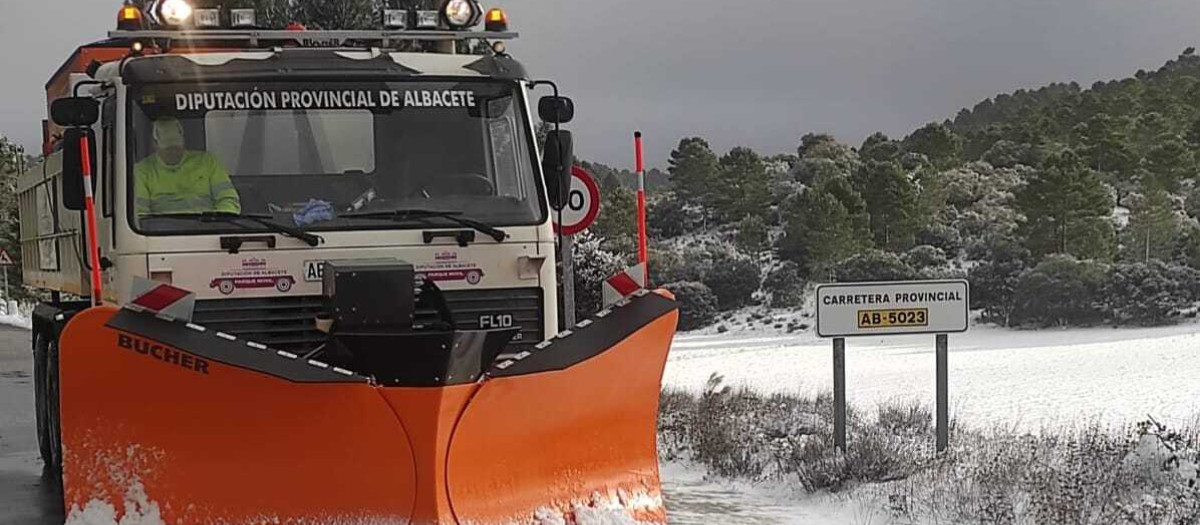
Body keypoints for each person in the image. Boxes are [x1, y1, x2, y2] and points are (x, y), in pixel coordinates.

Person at [134, 117, 241, 215]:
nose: (174, 153)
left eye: (177, 148)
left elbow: (228, 200)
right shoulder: (142, 170)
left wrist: (219, 224)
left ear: (184, 143)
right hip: (161, 229)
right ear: (155, 146)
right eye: (168, 150)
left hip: (207, 226)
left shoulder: (208, 162)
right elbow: (139, 213)